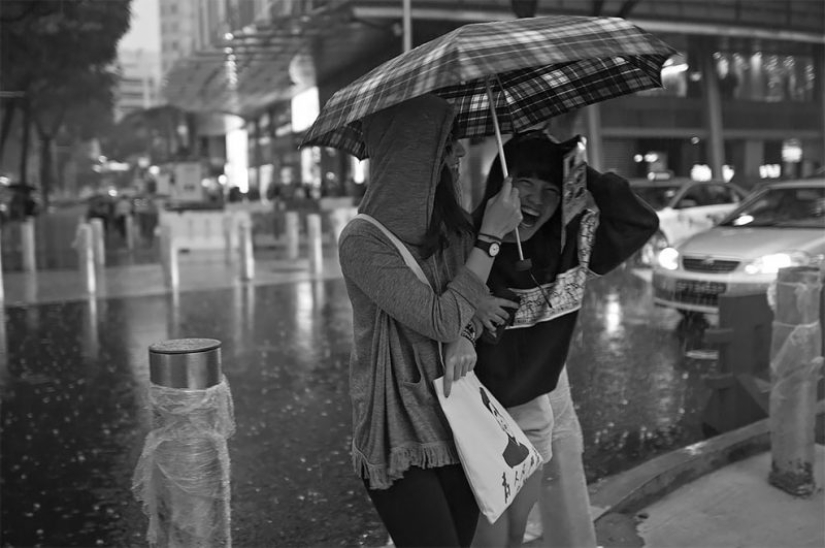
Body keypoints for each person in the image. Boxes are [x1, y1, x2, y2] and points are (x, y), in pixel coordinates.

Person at [336, 94, 523, 548]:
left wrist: (467, 334)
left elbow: (465, 316)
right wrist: (492, 238)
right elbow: (441, 318)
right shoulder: (362, 241)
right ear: (413, 153)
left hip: (454, 422)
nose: (459, 152)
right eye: (446, 143)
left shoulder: (454, 231)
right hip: (398, 431)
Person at [469, 131, 660, 547]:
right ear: (499, 184)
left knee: (514, 530)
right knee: (487, 530)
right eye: (524, 184)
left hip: (534, 409)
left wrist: (579, 171)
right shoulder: (468, 243)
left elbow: (640, 221)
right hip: (475, 414)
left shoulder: (572, 242)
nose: (536, 200)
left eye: (550, 190)